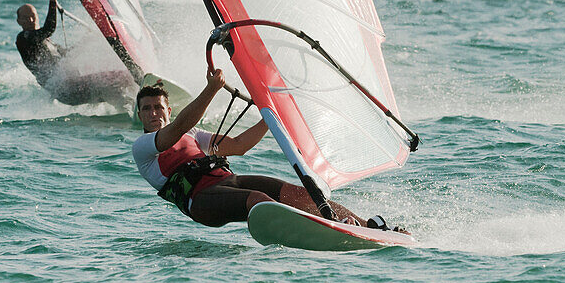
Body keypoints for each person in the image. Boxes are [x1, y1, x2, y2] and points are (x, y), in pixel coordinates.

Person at [132, 68, 403, 231]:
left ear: (167, 109)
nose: (153, 113)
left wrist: (269, 114)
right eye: (147, 109)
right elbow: (176, 129)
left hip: (229, 182)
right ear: (140, 115)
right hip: (201, 201)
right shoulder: (143, 148)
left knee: (297, 193)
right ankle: (321, 230)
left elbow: (239, 146)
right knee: (258, 200)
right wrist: (212, 89)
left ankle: (368, 227)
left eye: (158, 107)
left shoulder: (193, 135)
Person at [15, 0, 133, 105]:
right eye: (25, 17)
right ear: (18, 21)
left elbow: (68, 55)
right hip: (66, 90)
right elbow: (49, 29)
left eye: (32, 16)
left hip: (72, 88)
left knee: (116, 85)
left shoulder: (47, 43)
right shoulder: (24, 39)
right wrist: (52, 1)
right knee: (118, 78)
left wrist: (87, 40)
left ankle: (133, 106)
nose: (30, 20)